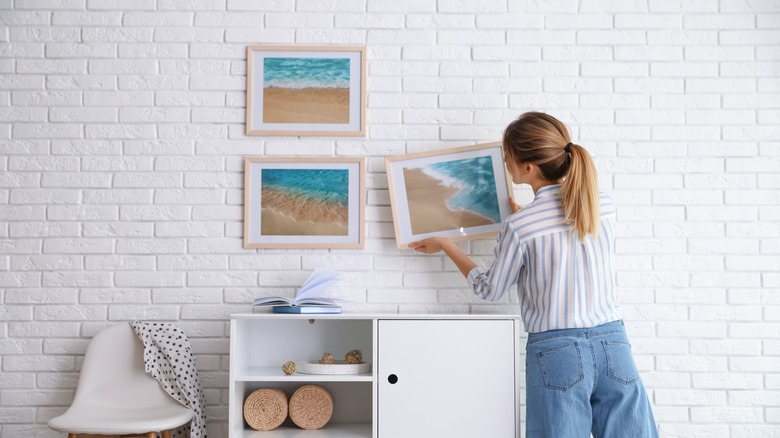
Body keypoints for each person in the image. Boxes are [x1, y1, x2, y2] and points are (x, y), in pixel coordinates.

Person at [409, 112, 658, 438]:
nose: (505, 163)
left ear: (528, 168)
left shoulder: (522, 227)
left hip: (558, 352)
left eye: (507, 156)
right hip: (613, 343)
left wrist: (447, 245)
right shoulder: (603, 206)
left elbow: (489, 289)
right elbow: (562, 235)